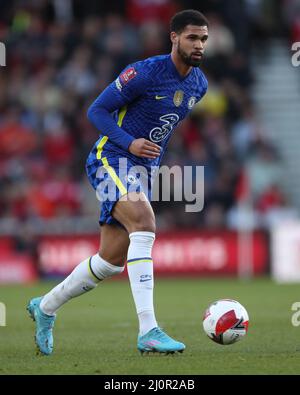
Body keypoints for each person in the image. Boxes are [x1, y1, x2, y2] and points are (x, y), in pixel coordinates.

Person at [27, 9, 209, 355]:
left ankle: (45, 307)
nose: (199, 45)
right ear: (174, 37)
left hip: (143, 170)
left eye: (203, 38)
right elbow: (96, 110)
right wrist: (130, 142)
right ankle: (149, 331)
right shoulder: (144, 72)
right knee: (144, 224)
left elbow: (163, 125)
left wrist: (150, 159)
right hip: (110, 158)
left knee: (110, 261)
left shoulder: (198, 85)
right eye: (192, 37)